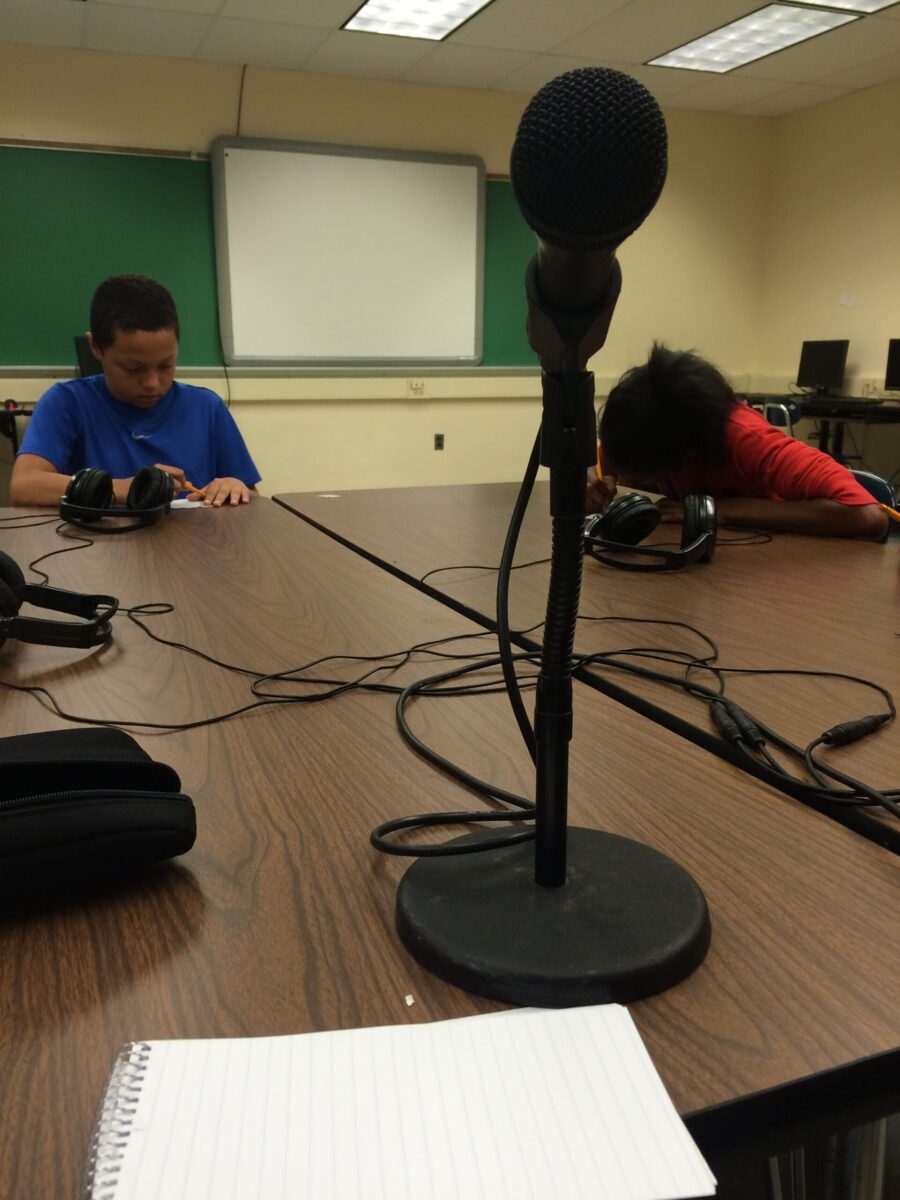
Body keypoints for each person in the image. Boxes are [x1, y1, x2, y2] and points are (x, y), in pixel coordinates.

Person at [586, 343, 888, 540]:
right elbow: (606, 462)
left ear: (686, 451)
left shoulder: (745, 438)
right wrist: (591, 480)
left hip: (787, 573)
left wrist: (719, 509)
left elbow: (868, 516)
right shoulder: (644, 425)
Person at [10, 275, 261, 508]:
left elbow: (251, 497)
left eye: (166, 365)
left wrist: (234, 488)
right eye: (132, 368)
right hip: (97, 551)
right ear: (96, 347)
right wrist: (121, 488)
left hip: (192, 550)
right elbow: (24, 486)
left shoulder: (206, 407)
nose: (152, 383)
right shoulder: (67, 403)